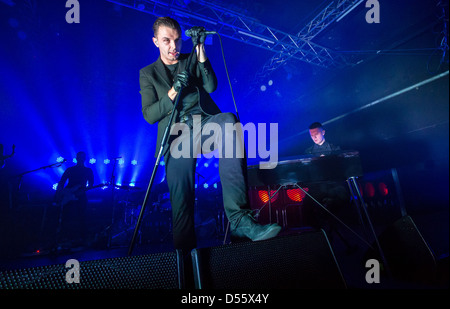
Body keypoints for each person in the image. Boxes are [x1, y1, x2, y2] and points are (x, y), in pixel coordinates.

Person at [139, 17, 281, 253]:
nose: (173, 46)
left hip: (204, 125)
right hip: (176, 138)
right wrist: (174, 91)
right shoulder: (148, 73)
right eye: (166, 41)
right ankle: (184, 260)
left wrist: (200, 48)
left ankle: (239, 220)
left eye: (176, 40)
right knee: (181, 205)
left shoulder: (190, 59)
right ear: (156, 42)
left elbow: (211, 86)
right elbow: (149, 115)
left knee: (228, 120)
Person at [55, 151, 94, 247]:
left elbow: (91, 184)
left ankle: (83, 238)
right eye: (79, 157)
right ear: (76, 158)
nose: (81, 159)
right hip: (68, 195)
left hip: (81, 195)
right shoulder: (70, 169)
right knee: (66, 218)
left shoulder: (88, 170)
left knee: (83, 217)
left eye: (82, 157)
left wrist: (84, 189)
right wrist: (60, 193)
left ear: (84, 159)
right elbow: (61, 182)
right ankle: (64, 238)